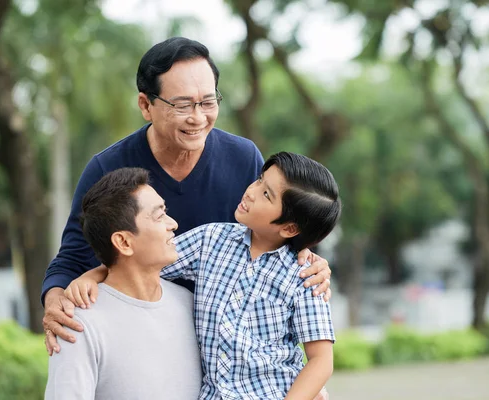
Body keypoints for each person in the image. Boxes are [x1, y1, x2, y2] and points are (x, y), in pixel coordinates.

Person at [41, 37, 332, 355]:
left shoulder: (243, 158)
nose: (198, 117)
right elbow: (71, 259)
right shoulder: (108, 168)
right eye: (182, 105)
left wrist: (310, 261)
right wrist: (56, 302)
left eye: (208, 102)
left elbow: (277, 241)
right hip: (140, 338)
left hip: (229, 347)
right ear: (146, 105)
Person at [67, 152, 340, 399]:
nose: (252, 191)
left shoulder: (306, 276)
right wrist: (91, 276)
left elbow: (321, 361)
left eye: (267, 194)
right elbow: (141, 262)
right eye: (259, 180)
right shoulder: (210, 240)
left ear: (290, 228)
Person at [45, 168, 202, 399]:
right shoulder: (79, 326)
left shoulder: (190, 304)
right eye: (159, 216)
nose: (173, 224)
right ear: (123, 242)